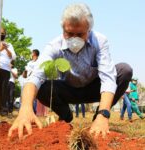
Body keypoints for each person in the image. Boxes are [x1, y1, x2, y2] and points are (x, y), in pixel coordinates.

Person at [8, 3, 132, 139]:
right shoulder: (54, 45)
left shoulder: (100, 41)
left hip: (94, 88)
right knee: (42, 87)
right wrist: (26, 108)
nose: (74, 39)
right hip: (68, 89)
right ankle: (66, 115)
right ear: (63, 30)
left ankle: (99, 117)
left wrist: (104, 114)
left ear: (89, 29)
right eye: (69, 33)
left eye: (80, 34)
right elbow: (35, 76)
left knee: (124, 70)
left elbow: (108, 78)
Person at [0, 27, 16, 116]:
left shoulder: (9, 45)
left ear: (5, 34)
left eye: (3, 33)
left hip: (5, 70)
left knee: (4, 90)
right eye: (0, 33)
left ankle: (3, 110)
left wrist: (6, 49)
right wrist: (0, 49)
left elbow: (13, 57)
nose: (2, 34)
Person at [25, 49, 40, 114]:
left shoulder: (39, 62)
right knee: (27, 96)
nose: (31, 54)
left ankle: (33, 112)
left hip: (34, 81)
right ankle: (27, 111)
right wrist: (25, 72)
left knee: (33, 97)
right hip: (27, 81)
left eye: (31, 53)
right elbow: (25, 73)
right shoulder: (29, 63)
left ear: (34, 54)